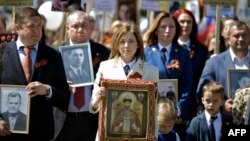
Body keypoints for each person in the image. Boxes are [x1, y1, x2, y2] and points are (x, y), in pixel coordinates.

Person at [0, 7, 70, 141]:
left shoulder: (53, 55)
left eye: (39, 26)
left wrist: (47, 90)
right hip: (7, 131)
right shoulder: (2, 53)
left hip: (41, 132)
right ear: (18, 28)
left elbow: (64, 95)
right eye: (31, 26)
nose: (37, 31)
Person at [54, 5, 110, 141]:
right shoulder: (55, 53)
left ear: (90, 28)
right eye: (75, 26)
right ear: (67, 28)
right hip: (64, 120)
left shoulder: (103, 52)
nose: (80, 30)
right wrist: (61, 85)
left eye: (84, 25)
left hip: (92, 120)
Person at [143, 11, 192, 140]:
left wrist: (179, 109)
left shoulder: (183, 53)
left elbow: (187, 84)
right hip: (151, 114)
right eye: (163, 26)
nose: (167, 30)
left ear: (176, 30)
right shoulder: (145, 52)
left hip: (174, 118)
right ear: (156, 30)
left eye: (171, 27)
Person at [90, 23, 159, 114]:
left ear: (138, 44)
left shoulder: (151, 71)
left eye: (131, 41)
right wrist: (98, 98)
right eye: (122, 41)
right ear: (117, 45)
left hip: (138, 126)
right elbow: (93, 107)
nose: (126, 45)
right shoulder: (105, 67)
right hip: (110, 126)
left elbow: (154, 109)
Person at [197, 20, 250, 117]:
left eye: (244, 35)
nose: (241, 39)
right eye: (236, 36)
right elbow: (202, 92)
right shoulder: (213, 63)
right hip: (225, 123)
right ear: (227, 39)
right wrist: (221, 107)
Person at [172, 9, 208, 119]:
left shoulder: (201, 50)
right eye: (182, 21)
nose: (185, 25)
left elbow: (203, 78)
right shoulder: (168, 49)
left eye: (189, 22)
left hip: (194, 104)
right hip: (171, 102)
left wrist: (200, 103)